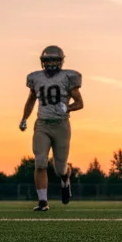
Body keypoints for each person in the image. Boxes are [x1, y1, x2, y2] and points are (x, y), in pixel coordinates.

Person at [19, 45, 84, 211]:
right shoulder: (36, 78)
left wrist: (67, 108)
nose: (51, 63)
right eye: (48, 60)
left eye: (54, 60)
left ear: (61, 61)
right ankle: (43, 202)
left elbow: (80, 103)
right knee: (40, 162)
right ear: (42, 62)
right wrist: (24, 118)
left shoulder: (68, 77)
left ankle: (65, 180)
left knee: (60, 168)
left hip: (61, 125)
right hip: (42, 123)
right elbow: (31, 100)